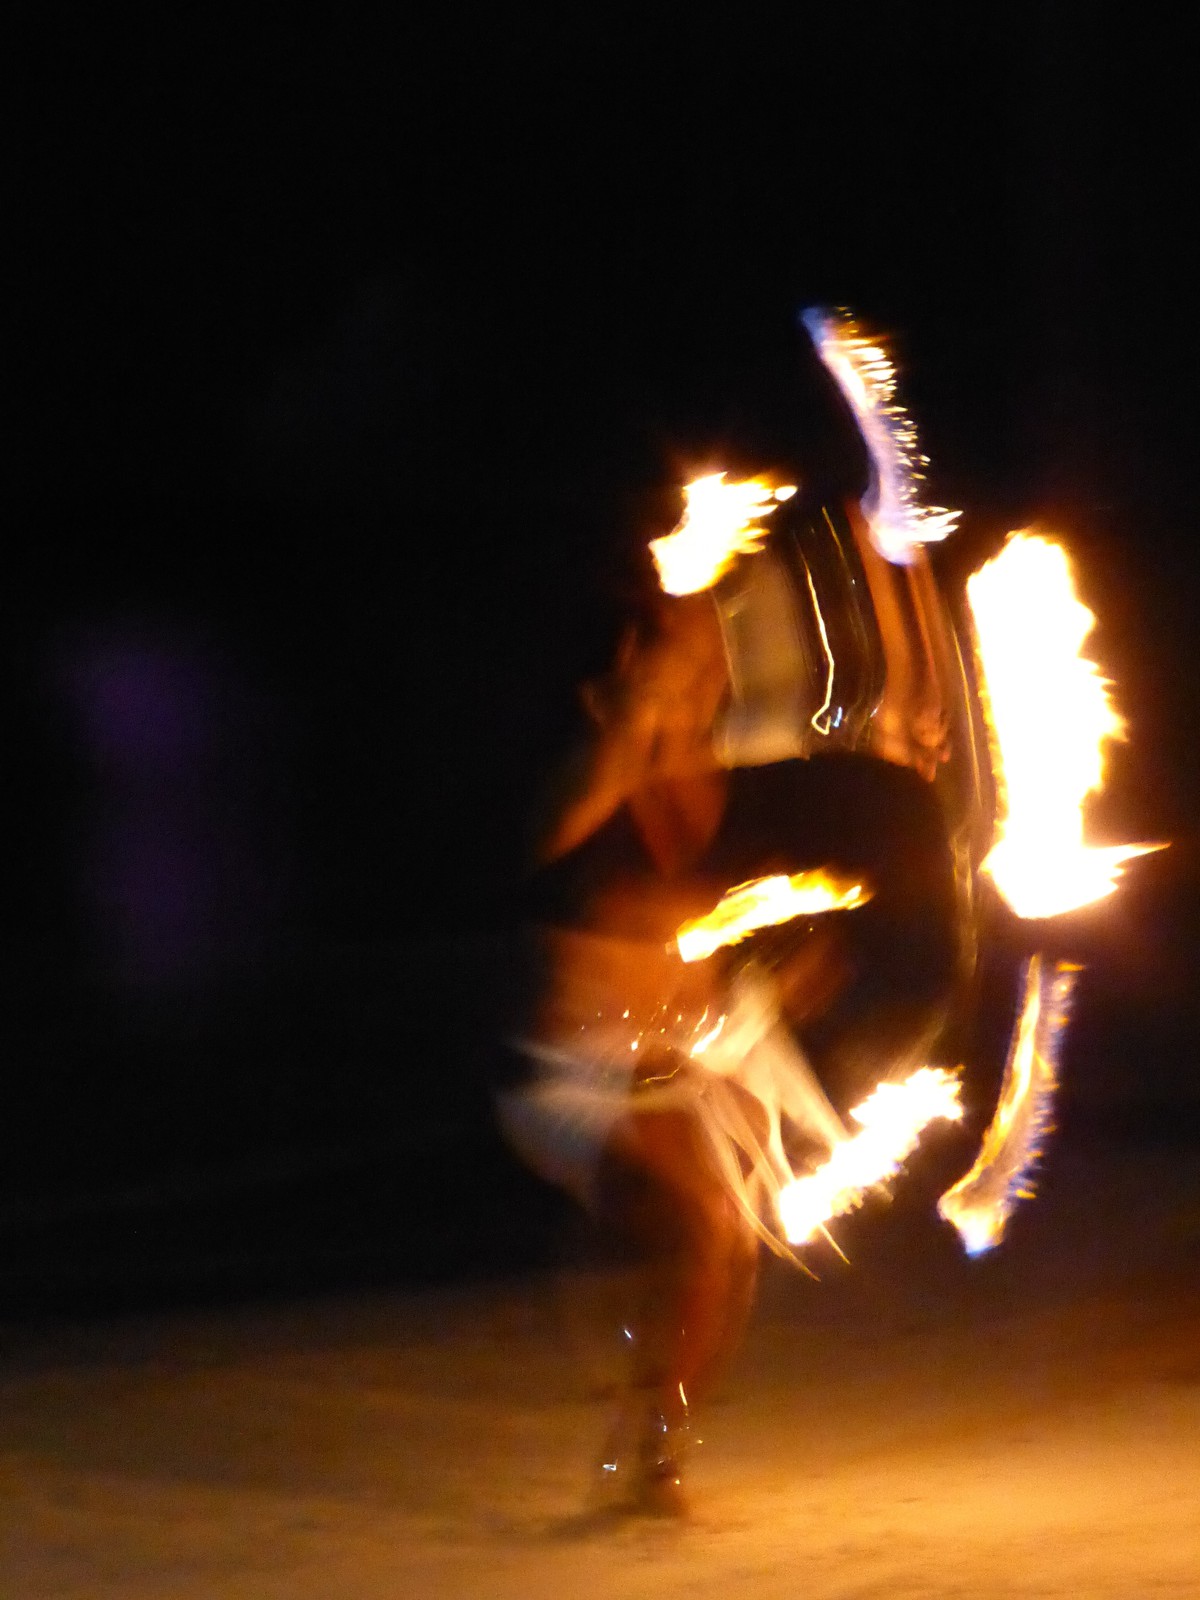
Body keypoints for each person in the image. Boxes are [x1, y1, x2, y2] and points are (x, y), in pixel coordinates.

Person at [498, 575, 853, 1516]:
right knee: (703, 1224)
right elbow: (556, 837)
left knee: (734, 1244)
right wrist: (629, 730)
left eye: (711, 651)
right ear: (628, 662)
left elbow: (730, 913)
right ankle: (649, 1428)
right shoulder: (595, 767)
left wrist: (779, 974)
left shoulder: (723, 770)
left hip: (694, 1054)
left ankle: (660, 1432)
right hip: (579, 1075)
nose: (710, 664)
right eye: (686, 648)